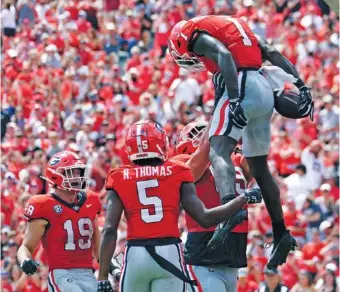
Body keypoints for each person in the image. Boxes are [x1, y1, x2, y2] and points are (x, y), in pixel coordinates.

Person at [167, 15, 315, 269]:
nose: (195, 59)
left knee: (218, 150)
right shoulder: (239, 30)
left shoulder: (195, 34)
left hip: (241, 85)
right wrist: (301, 86)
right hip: (264, 90)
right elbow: (271, 52)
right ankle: (280, 232)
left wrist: (234, 99)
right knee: (259, 168)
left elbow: (223, 56)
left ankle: (229, 208)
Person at [97, 120, 262, 292]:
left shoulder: (121, 176)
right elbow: (204, 216)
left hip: (229, 252)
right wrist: (219, 116)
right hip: (192, 251)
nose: (205, 133)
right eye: (197, 131)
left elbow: (109, 230)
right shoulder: (179, 167)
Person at [174, 121, 252, 292]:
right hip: (205, 253)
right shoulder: (187, 163)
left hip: (233, 253)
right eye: (199, 133)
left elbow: (256, 157)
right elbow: (201, 156)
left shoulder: (233, 160)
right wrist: (217, 118)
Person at [17, 151, 102, 292]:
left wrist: (113, 267)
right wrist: (25, 260)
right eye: (70, 172)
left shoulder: (91, 200)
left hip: (89, 274)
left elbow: (98, 247)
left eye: (77, 172)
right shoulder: (43, 204)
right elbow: (26, 247)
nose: (76, 177)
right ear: (55, 175)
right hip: (61, 274)